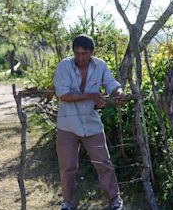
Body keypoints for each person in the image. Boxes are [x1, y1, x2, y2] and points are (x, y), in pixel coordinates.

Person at [54, 35, 126, 210]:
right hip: (67, 126)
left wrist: (118, 93)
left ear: (92, 53)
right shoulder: (64, 66)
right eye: (77, 53)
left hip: (91, 123)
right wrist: (90, 96)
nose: (80, 57)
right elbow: (63, 95)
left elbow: (111, 83)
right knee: (67, 167)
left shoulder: (100, 65)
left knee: (104, 164)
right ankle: (68, 202)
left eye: (84, 54)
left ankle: (115, 200)